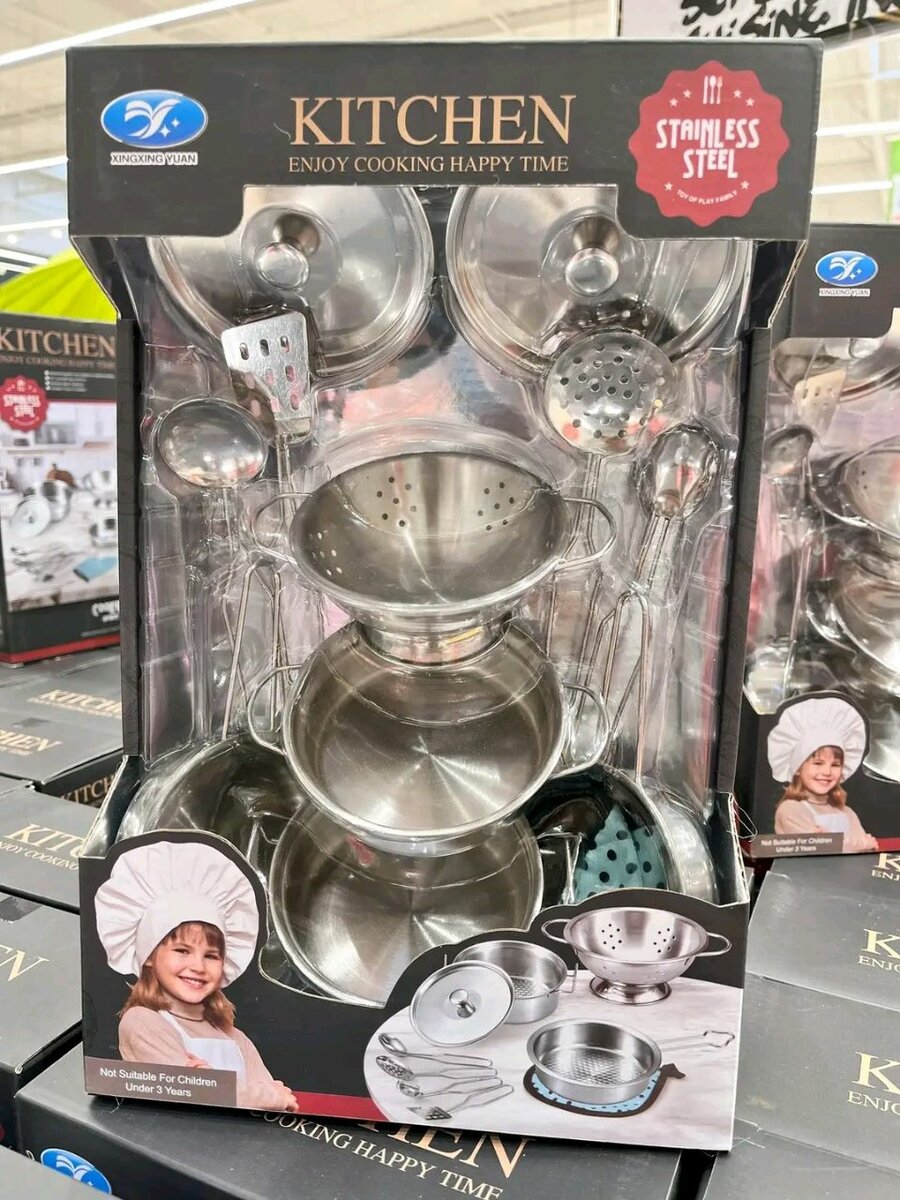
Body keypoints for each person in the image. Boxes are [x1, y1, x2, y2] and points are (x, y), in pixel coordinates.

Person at [95, 840, 298, 1112]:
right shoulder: (143, 1021)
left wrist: (213, 1081)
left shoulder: (236, 1038)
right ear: (149, 956)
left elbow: (280, 1105)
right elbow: (194, 1092)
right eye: (182, 950)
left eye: (211, 956)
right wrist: (242, 1091)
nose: (198, 966)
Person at [768, 695, 877, 853]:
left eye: (835, 765)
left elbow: (867, 852)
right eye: (818, 763)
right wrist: (860, 843)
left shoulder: (847, 813)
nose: (827, 772)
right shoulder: (790, 809)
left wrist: (832, 841)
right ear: (798, 768)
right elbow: (818, 849)